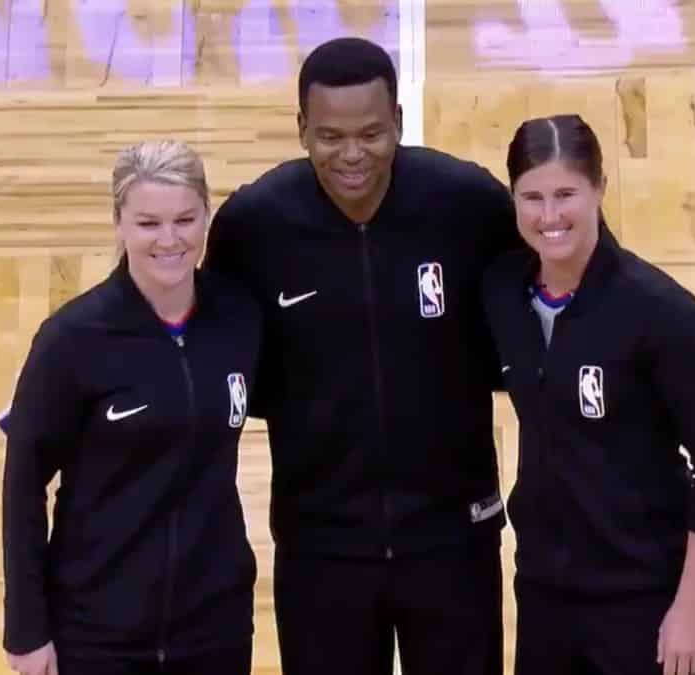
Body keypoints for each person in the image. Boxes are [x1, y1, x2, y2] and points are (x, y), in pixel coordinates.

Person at [201, 36, 522, 675]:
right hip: (322, 546)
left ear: (399, 123)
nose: (352, 155)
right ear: (300, 130)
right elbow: (220, 359)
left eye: (372, 133)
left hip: (453, 539)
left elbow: (549, 304)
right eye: (329, 136)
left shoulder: (468, 204)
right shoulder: (253, 226)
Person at [480, 113, 695, 675]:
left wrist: (692, 608)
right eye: (532, 197)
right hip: (546, 594)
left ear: (600, 188)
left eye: (566, 194)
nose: (550, 216)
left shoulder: (661, 313)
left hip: (646, 597)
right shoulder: (503, 292)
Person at [0, 140, 262, 675]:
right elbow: (23, 486)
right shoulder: (72, 340)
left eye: (185, 219)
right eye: (148, 223)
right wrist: (26, 629)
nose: (170, 240)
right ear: (119, 223)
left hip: (215, 627)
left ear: (207, 218)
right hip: (98, 632)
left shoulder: (239, 319)